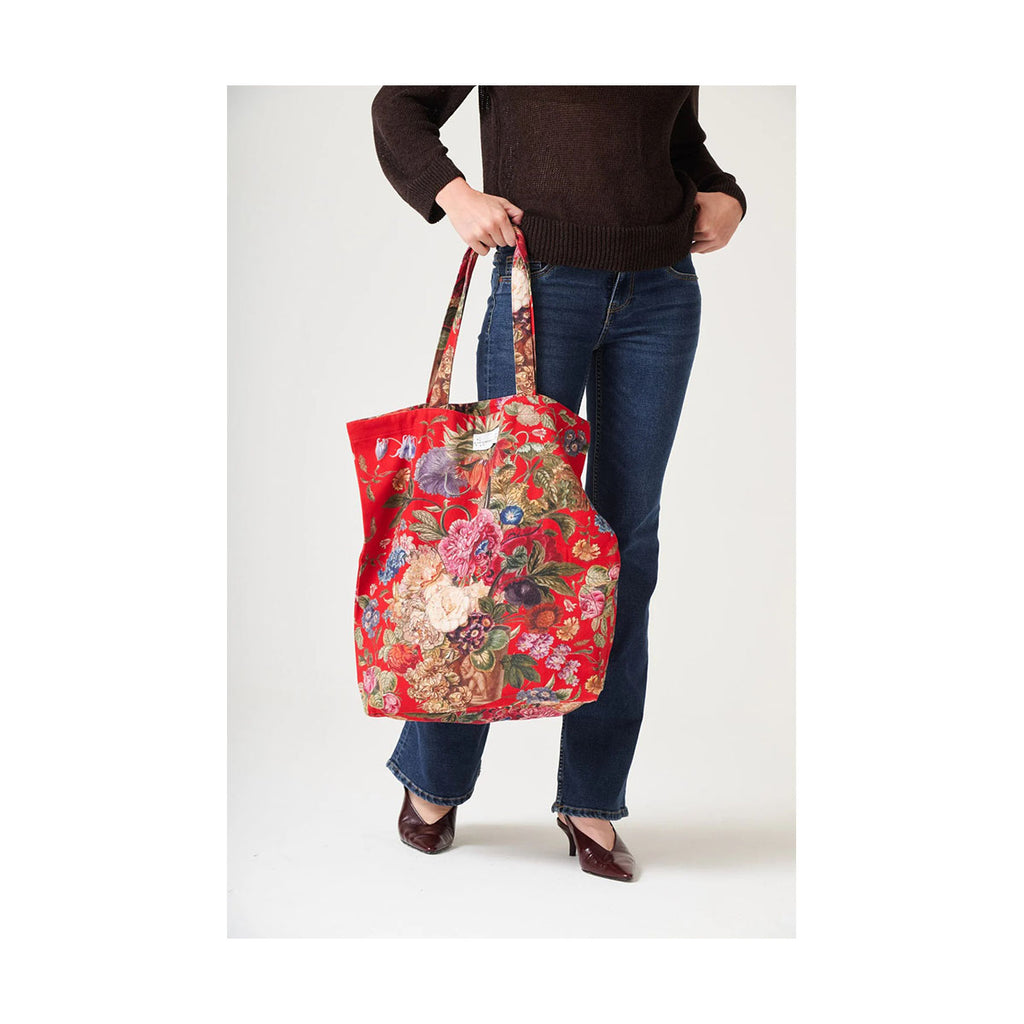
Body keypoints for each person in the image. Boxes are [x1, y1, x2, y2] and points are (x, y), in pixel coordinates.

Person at [371, 86, 745, 881]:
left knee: (624, 550)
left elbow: (677, 140)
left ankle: (594, 799)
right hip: (541, 285)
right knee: (490, 548)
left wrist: (726, 195)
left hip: (663, 292)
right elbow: (399, 106)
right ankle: (435, 777)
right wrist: (456, 195)